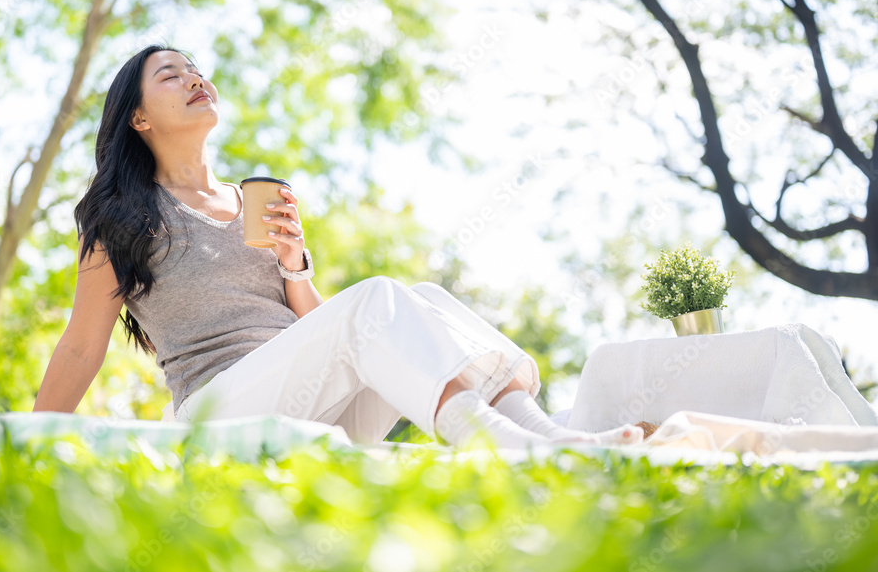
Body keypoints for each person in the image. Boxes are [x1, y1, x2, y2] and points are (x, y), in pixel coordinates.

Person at [32, 44, 644, 451]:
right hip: (220, 418)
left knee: (423, 297)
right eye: (170, 75)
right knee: (378, 295)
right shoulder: (120, 218)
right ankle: (503, 444)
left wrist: (294, 266)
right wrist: (25, 441)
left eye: (195, 69)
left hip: (308, 409)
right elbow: (82, 345)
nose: (195, 78)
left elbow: (327, 328)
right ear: (138, 119)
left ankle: (544, 437)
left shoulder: (255, 202)